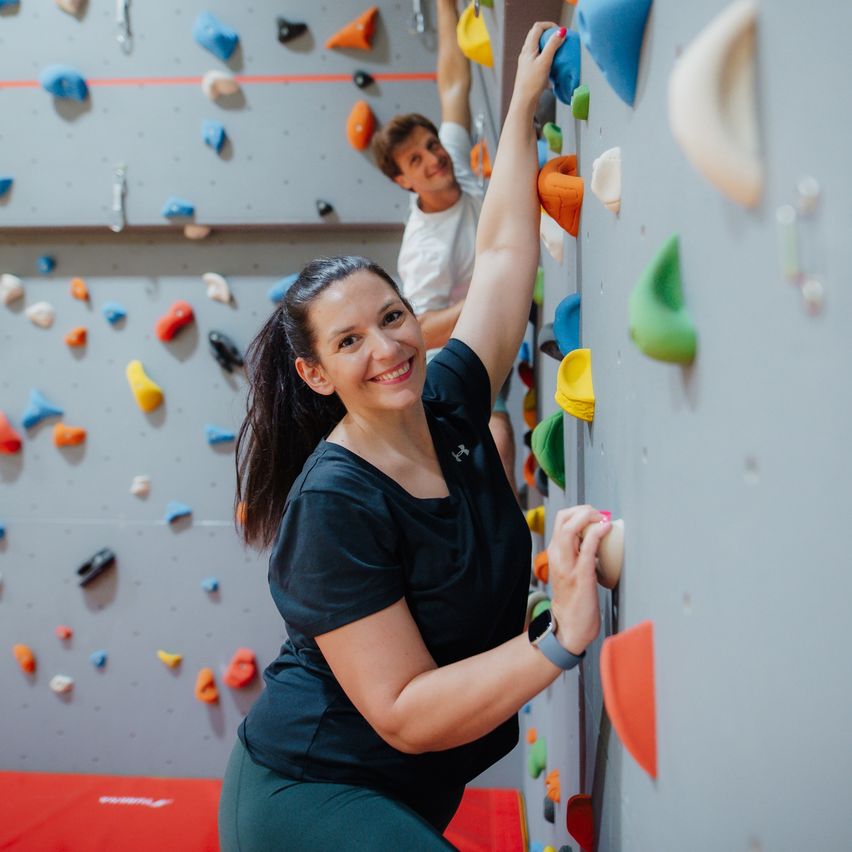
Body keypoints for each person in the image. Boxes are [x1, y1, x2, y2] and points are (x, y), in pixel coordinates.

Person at [219, 23, 609, 852]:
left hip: (402, 791)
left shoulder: (451, 401)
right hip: (309, 788)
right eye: (349, 341)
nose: (388, 347)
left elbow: (503, 255)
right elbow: (401, 711)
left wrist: (519, 110)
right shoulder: (332, 506)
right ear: (317, 374)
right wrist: (560, 640)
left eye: (392, 318)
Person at [370, 0, 517, 495]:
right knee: (495, 437)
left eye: (431, 145)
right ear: (402, 180)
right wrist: (490, 295)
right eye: (417, 159)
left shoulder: (448, 160)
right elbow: (421, 329)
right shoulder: (425, 249)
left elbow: (453, 82)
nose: (435, 159)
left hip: (498, 297)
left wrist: (445, 6)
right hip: (462, 341)